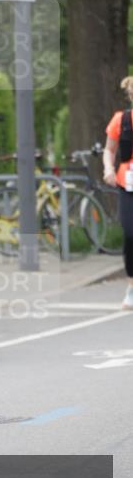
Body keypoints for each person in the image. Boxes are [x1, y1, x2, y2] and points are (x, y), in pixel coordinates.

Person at [103, 75, 133, 311]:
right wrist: (108, 168)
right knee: (130, 234)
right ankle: (132, 287)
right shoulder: (121, 120)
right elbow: (109, 149)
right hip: (128, 184)